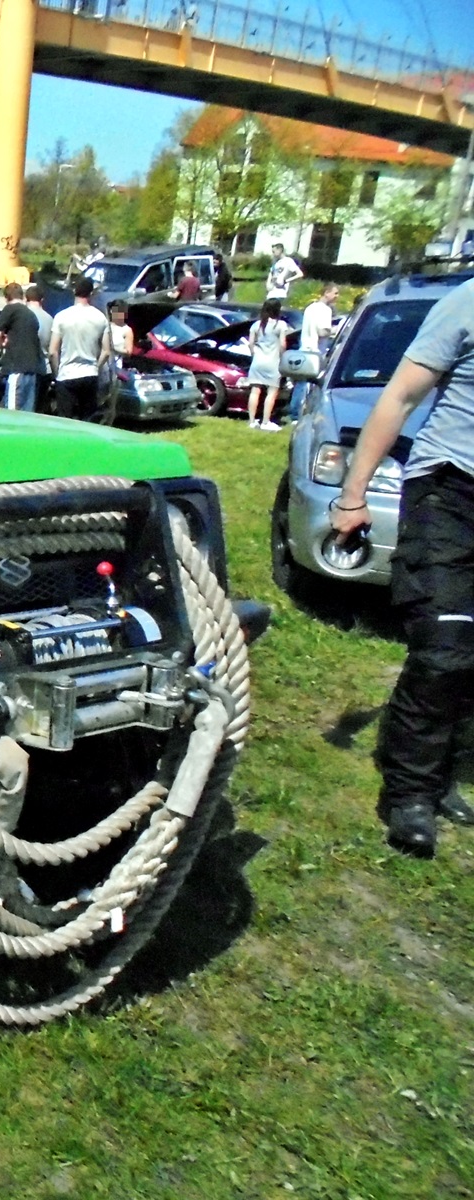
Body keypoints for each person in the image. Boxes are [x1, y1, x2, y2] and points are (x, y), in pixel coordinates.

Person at [329, 277, 474, 856]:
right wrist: (352, 493)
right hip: (449, 490)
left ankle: (439, 768)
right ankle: (410, 792)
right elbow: (400, 397)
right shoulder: (465, 303)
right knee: (445, 647)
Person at [49, 275, 112, 420]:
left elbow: (53, 351)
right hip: (89, 373)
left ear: (74, 291)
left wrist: (57, 371)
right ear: (91, 293)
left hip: (67, 373)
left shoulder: (62, 316)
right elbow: (106, 351)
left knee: (65, 419)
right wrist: (96, 366)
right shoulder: (100, 317)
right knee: (87, 420)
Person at [291, 283, 341, 418]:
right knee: (312, 384)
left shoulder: (310, 307)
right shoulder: (325, 310)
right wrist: (335, 330)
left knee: (301, 383)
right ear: (326, 293)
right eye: (335, 293)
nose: (337, 296)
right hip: (315, 351)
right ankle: (303, 412)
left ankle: (294, 412)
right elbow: (322, 331)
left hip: (304, 346)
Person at [244, 297, 292, 431]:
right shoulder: (280, 325)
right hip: (273, 362)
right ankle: (266, 421)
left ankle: (252, 421)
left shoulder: (256, 325)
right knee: (271, 392)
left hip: (257, 361)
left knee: (255, 391)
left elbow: (250, 344)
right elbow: (282, 344)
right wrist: (283, 357)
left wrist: (255, 354)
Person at [0, 282, 42, 412]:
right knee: (27, 412)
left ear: (6, 298)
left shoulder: (10, 309)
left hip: (17, 368)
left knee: (12, 413)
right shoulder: (31, 315)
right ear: (23, 296)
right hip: (32, 370)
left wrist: (2, 343)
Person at [25, 283, 55, 404]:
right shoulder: (50, 319)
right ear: (42, 300)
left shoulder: (22, 315)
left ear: (26, 299)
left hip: (24, 367)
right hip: (43, 368)